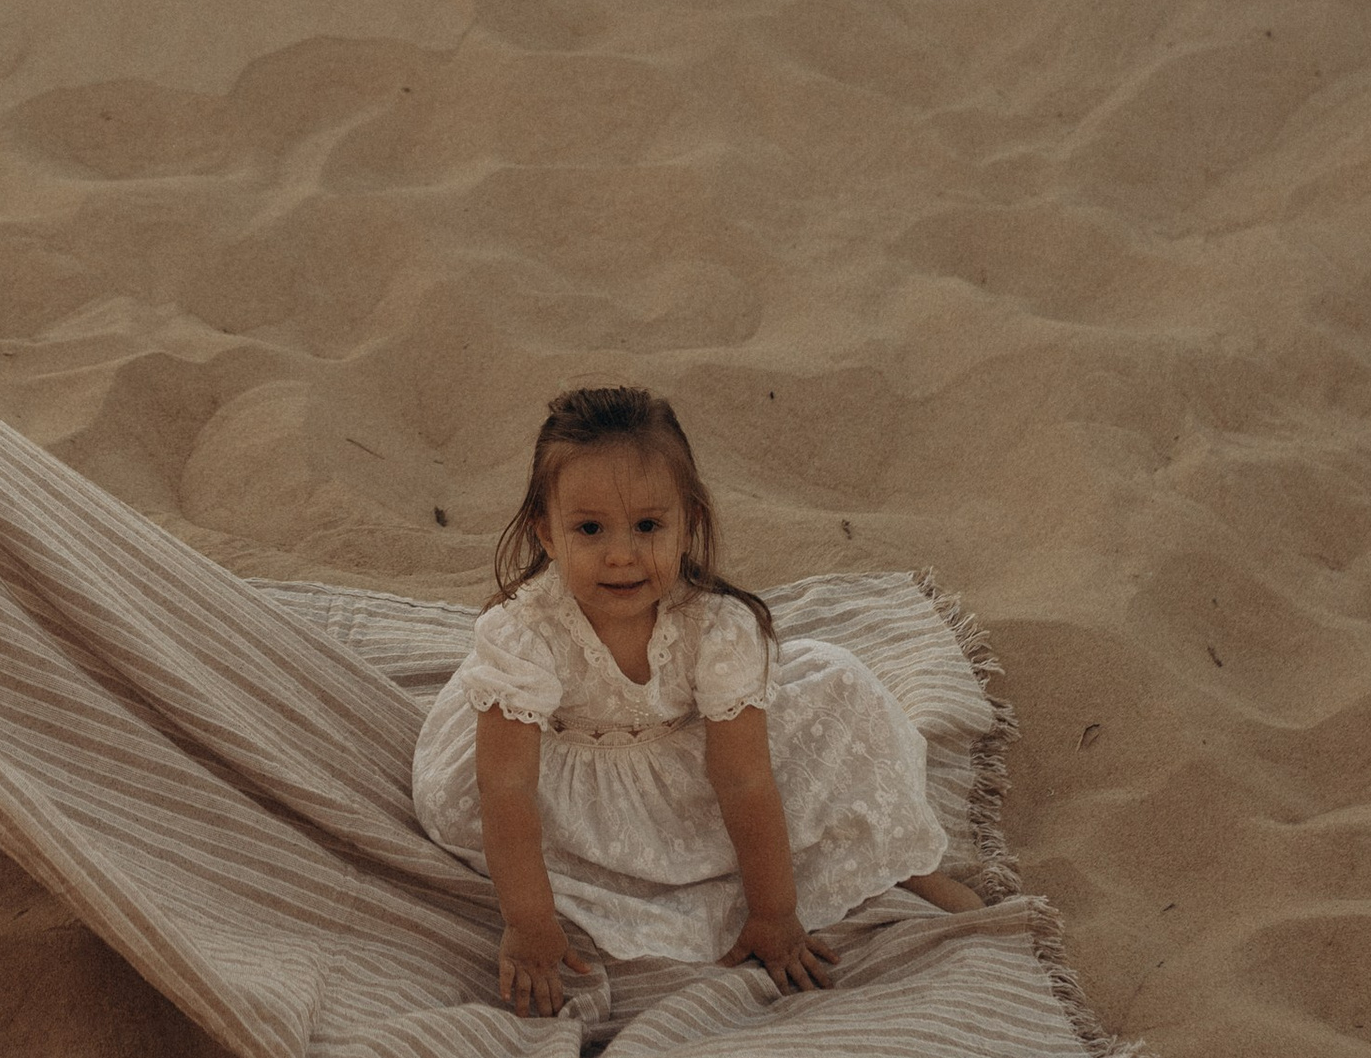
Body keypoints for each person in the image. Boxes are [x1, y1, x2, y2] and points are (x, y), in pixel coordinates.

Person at [412, 383, 981, 1017]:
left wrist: (774, 913)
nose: (622, 555)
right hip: (559, 779)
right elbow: (507, 786)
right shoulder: (525, 634)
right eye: (589, 529)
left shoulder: (714, 627)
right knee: (494, 806)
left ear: (688, 523)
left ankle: (898, 856)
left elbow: (743, 778)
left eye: (648, 526)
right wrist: (530, 923)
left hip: (692, 757)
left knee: (841, 687)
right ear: (547, 534)